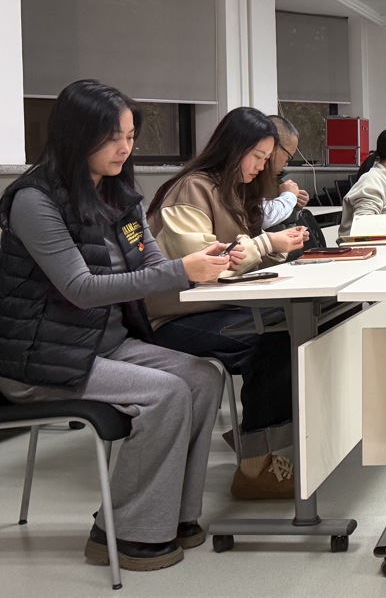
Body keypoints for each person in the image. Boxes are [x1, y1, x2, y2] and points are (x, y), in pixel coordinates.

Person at [0, 80, 228, 570]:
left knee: (204, 378)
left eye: (130, 136)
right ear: (76, 136)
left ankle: (172, 515)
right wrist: (180, 272)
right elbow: (80, 288)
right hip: (44, 360)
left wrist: (198, 264)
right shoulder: (34, 201)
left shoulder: (120, 196)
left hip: (104, 345)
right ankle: (122, 532)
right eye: (111, 138)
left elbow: (151, 262)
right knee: (167, 393)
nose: (124, 148)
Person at [147, 108, 308, 501]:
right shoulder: (191, 188)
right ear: (233, 148)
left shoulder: (233, 190)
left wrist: (277, 248)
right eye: (257, 156)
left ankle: (257, 436)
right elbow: (207, 264)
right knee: (271, 336)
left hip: (215, 307)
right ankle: (255, 466)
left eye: (266, 158)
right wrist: (267, 244)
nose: (261, 166)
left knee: (299, 322)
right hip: (172, 317)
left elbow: (242, 257)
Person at [261, 116, 310, 229]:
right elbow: (262, 218)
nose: (286, 164)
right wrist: (289, 197)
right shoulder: (247, 178)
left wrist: (295, 205)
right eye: (288, 157)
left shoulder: (275, 179)